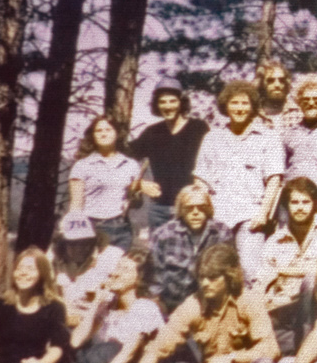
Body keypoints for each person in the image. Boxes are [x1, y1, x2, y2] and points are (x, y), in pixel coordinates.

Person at [110, 244, 278, 363]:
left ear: (229, 276)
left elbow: (271, 349)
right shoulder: (193, 305)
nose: (205, 283)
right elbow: (157, 347)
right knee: (160, 358)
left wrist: (232, 358)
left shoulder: (249, 301)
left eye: (212, 278)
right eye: (202, 277)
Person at [58, 248, 165, 363]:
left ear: (138, 279)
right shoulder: (109, 306)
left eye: (125, 269)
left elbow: (127, 354)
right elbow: (75, 341)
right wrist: (95, 304)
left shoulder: (144, 307)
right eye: (117, 267)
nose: (115, 273)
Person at [193, 79, 285, 278]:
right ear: (225, 106)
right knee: (216, 272)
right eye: (234, 103)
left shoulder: (268, 137)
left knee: (250, 273)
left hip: (251, 217)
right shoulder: (213, 138)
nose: (239, 108)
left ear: (253, 107)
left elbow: (274, 180)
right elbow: (201, 181)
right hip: (218, 216)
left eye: (245, 103)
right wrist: (204, 213)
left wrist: (263, 214)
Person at [253, 177, 317, 349]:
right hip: (285, 310)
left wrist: (284, 270)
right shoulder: (275, 242)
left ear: (315, 203)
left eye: (305, 202)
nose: (300, 207)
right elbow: (260, 284)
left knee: (311, 280)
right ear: (287, 206)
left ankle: (307, 348)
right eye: (294, 202)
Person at [128, 77, 210, 234]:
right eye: (162, 102)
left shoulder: (198, 128)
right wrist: (139, 184)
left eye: (172, 101)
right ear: (157, 105)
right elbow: (121, 160)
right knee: (159, 250)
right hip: (159, 210)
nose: (167, 106)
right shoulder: (152, 132)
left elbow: (214, 162)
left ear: (181, 103)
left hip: (191, 208)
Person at [147, 186, 236, 314]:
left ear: (208, 209)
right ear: (181, 210)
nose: (195, 212)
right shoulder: (163, 235)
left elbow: (231, 274)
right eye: (189, 208)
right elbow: (154, 279)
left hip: (211, 308)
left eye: (201, 207)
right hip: (172, 307)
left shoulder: (221, 233)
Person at [66, 114, 142, 252]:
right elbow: (76, 204)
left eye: (108, 130)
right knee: (94, 265)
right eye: (99, 131)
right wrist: (74, 231)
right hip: (91, 228)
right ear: (93, 136)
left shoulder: (131, 165)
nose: (103, 134)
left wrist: (134, 198)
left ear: (117, 133)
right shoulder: (82, 165)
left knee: (115, 265)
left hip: (121, 229)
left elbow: (137, 203)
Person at [279, 76, 317, 216]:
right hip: (292, 199)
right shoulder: (289, 133)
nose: (311, 103)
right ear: (299, 103)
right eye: (306, 100)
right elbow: (281, 168)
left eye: (316, 99)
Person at [50, 213, 124, 327]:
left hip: (103, 323)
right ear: (63, 243)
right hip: (67, 322)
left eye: (85, 242)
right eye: (73, 244)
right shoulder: (55, 261)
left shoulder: (111, 257)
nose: (79, 248)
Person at [255, 60, 303, 130]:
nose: (277, 85)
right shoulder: (253, 114)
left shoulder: (299, 113)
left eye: (281, 80)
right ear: (261, 84)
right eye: (271, 80)